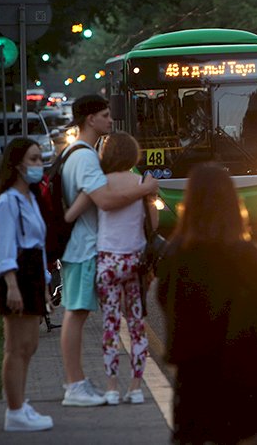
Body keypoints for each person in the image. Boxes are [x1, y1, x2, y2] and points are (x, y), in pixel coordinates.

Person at [157, 163, 257, 445]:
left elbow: (167, 306)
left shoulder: (175, 255)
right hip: (245, 389)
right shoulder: (243, 256)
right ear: (233, 202)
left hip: (194, 388)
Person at [59, 94, 158, 407]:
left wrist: (69, 216)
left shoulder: (89, 166)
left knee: (109, 324)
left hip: (104, 260)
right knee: (127, 323)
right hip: (113, 255)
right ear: (90, 119)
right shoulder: (95, 163)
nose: (110, 120)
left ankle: (109, 386)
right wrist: (143, 190)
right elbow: (140, 218)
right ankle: (126, 386)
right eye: (105, 115)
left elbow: (77, 210)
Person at [0, 137, 54, 431]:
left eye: (40, 158)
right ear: (16, 165)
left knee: (30, 345)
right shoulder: (7, 202)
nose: (39, 165)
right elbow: (3, 247)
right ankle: (14, 411)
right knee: (15, 346)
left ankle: (21, 403)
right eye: (33, 159)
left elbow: (38, 245)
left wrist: (45, 285)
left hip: (33, 277)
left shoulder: (30, 199)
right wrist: (12, 285)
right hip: (15, 277)